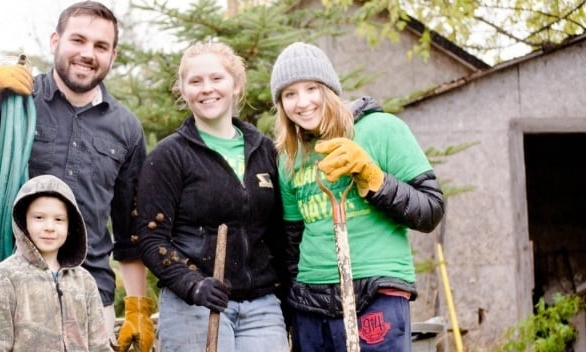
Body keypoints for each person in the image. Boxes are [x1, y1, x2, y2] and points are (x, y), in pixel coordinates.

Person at [0, 2, 154, 350]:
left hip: (90, 297)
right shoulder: (14, 101)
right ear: (55, 41)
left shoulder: (125, 128)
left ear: (112, 55)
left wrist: (138, 307)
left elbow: (130, 232)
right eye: (77, 40)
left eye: (100, 46)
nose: (87, 53)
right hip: (11, 296)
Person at [269, 41, 446, 351]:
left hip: (375, 290)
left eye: (312, 88)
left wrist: (372, 177)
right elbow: (291, 246)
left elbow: (431, 209)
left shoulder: (380, 130)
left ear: (330, 89)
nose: (303, 102)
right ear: (281, 104)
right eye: (290, 94)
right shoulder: (288, 158)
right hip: (310, 301)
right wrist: (289, 308)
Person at [136, 41, 290, 351]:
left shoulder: (265, 151)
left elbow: (280, 233)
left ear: (235, 84)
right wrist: (193, 284)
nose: (207, 89)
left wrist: (289, 297)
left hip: (262, 307)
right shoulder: (169, 157)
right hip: (193, 308)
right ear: (183, 90)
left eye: (217, 78)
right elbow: (152, 240)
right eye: (195, 81)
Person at [0, 174, 111, 351]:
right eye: (39, 217)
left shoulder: (84, 282)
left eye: (59, 219)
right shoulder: (3, 278)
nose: (49, 227)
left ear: (71, 226)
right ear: (24, 221)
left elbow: (99, 346)